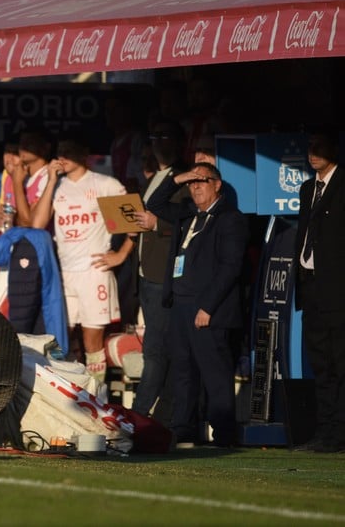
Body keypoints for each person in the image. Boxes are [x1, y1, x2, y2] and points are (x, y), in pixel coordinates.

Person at [147, 161, 247, 448]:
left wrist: (208, 307)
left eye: (203, 181)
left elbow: (231, 267)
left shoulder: (230, 218)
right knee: (182, 371)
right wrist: (180, 177)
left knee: (214, 374)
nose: (196, 187)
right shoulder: (188, 213)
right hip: (179, 305)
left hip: (207, 309)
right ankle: (183, 429)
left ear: (217, 185)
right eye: (193, 183)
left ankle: (224, 435)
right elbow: (154, 202)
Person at [32, 138, 133, 383]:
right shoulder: (54, 184)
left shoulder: (105, 184)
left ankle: (96, 395)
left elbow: (132, 225)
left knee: (92, 340)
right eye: (60, 152)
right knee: (60, 338)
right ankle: (69, 391)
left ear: (84, 153)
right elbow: (37, 223)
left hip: (93, 272)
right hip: (64, 273)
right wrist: (52, 182)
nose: (63, 157)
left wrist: (120, 255)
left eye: (69, 151)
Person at [131, 119, 188, 419]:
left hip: (162, 275)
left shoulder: (182, 177)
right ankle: (155, 413)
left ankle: (139, 415)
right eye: (154, 137)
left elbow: (189, 217)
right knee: (155, 347)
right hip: (145, 273)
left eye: (164, 136)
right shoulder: (155, 176)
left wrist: (159, 224)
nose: (157, 143)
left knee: (155, 349)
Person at [294, 131, 345, 453]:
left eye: (320, 147)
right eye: (310, 147)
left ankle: (339, 432)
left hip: (337, 289)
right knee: (321, 364)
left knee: (340, 363)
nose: (313, 153)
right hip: (311, 286)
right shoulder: (307, 188)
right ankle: (326, 432)